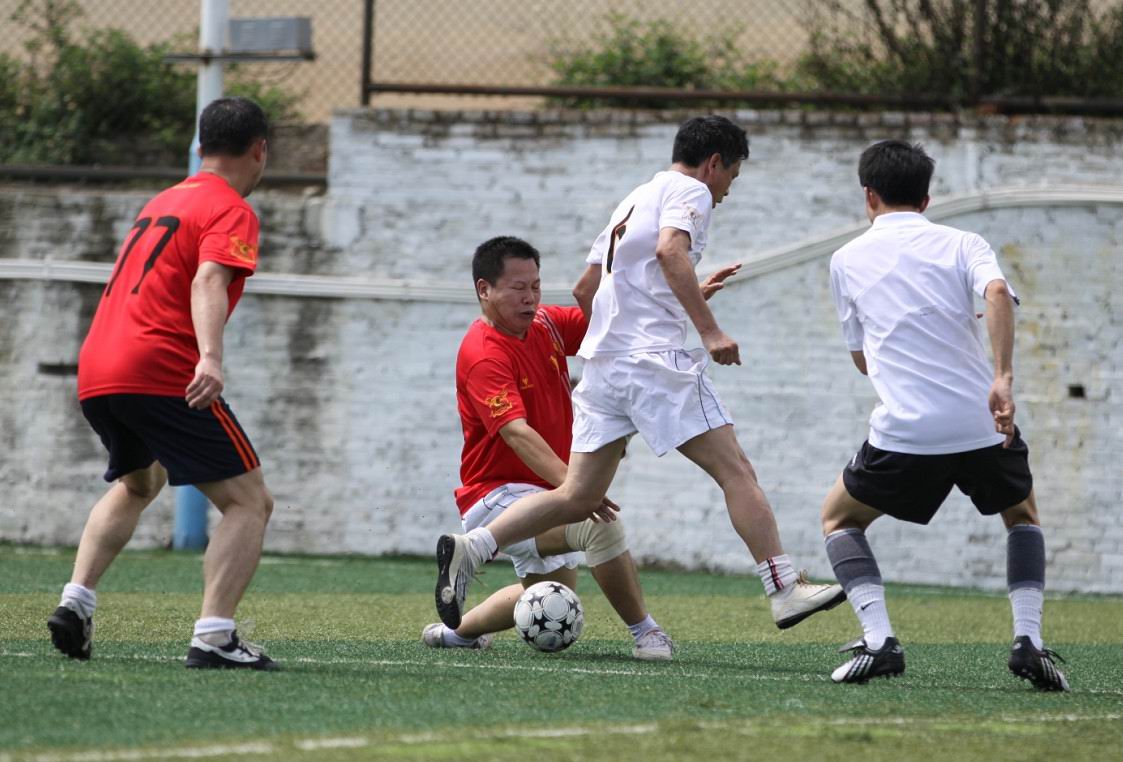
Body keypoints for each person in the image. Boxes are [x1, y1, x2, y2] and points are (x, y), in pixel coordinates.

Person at [435, 116, 844, 633]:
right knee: (736, 471)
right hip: (653, 362)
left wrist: (662, 307)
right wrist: (709, 330)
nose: (725, 192)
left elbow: (586, 289)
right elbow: (669, 251)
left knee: (578, 497)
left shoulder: (634, 199)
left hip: (605, 368)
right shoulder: (692, 191)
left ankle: (474, 547)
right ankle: (784, 588)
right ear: (713, 163)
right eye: (731, 177)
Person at [820, 140, 1068, 691]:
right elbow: (997, 291)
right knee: (1023, 516)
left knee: (839, 520)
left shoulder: (845, 259)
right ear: (927, 199)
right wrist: (1002, 377)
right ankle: (1028, 640)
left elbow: (862, 361)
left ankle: (879, 641)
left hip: (907, 431)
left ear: (869, 195)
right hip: (981, 423)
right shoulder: (963, 242)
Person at [47, 97, 277, 671]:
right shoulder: (231, 208)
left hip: (99, 367)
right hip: (159, 367)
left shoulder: (163, 200)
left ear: (199, 147)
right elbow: (208, 280)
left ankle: (76, 601)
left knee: (139, 483)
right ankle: (215, 636)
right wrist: (211, 358)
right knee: (249, 502)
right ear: (259, 150)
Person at [424, 236, 675, 660]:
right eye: (518, 288)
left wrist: (681, 299)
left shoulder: (547, 325)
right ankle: (646, 634)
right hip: (496, 497)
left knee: (549, 593)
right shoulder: (484, 353)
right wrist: (577, 488)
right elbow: (516, 434)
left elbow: (613, 325)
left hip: (546, 494)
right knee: (600, 527)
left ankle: (456, 633)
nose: (530, 297)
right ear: (484, 289)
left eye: (536, 286)